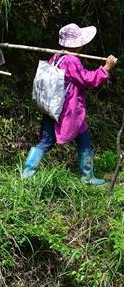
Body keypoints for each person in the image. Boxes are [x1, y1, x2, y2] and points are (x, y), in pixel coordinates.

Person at [21, 23, 117, 183]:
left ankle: (27, 174)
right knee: (84, 141)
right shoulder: (72, 60)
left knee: (45, 141)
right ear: (78, 43)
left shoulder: (57, 57)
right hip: (69, 110)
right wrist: (106, 68)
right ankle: (87, 177)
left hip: (52, 107)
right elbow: (88, 80)